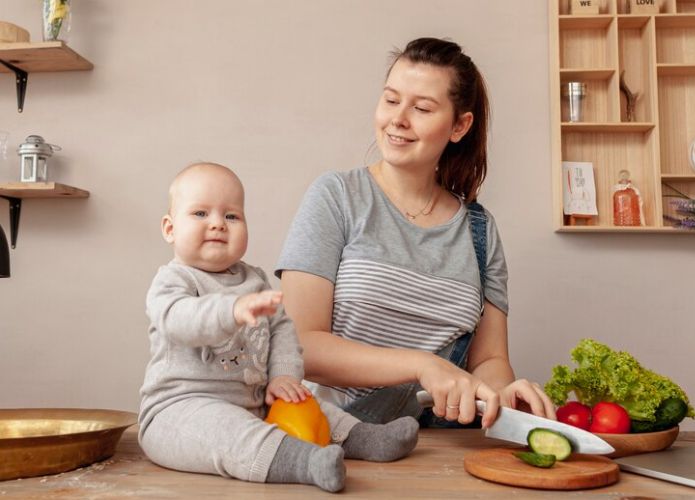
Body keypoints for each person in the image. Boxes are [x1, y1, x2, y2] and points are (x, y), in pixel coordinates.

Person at [275, 38, 556, 428]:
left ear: (460, 126)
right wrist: (421, 365)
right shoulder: (337, 197)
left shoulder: (480, 231)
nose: (398, 119)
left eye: (422, 108)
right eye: (391, 100)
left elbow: (489, 361)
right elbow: (300, 345)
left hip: (442, 448)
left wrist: (502, 394)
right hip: (335, 437)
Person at [138, 163, 419, 493]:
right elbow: (180, 320)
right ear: (170, 228)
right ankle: (305, 463)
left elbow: (283, 330)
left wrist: (284, 377)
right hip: (181, 411)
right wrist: (231, 310)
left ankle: (363, 437)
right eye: (200, 213)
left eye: (232, 216)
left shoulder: (254, 280)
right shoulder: (173, 280)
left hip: (254, 403)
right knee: (231, 434)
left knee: (308, 403)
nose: (217, 224)